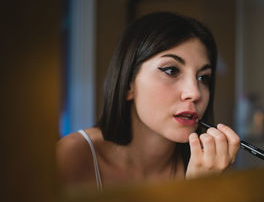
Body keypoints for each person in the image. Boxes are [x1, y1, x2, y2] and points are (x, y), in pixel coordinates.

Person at [56, 12, 240, 191]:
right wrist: (193, 192)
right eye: (171, 71)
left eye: (203, 78)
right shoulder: (71, 157)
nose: (194, 93)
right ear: (129, 85)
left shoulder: (209, 167)